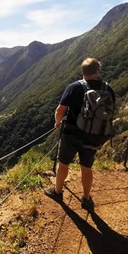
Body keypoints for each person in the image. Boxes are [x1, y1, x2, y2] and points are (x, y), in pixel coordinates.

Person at [44, 57, 115, 211]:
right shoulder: (107, 88)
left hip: (71, 134)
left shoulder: (74, 87)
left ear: (82, 71)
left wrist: (57, 123)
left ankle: (57, 192)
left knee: (63, 163)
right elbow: (109, 113)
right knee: (86, 167)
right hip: (93, 136)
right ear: (97, 71)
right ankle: (86, 199)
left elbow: (60, 110)